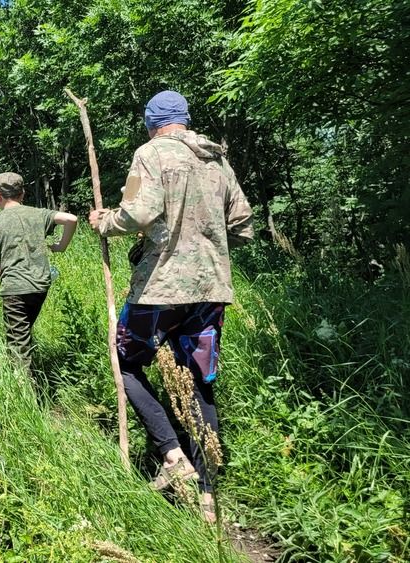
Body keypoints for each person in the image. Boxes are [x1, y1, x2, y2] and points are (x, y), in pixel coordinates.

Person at [87, 90, 254, 523]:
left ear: (150, 123)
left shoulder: (151, 154)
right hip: (211, 290)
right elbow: (241, 225)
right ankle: (207, 492)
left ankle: (172, 453)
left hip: (159, 290)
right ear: (185, 119)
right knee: (199, 380)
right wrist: (206, 245)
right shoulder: (217, 159)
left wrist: (104, 222)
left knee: (124, 361)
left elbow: (138, 212)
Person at [0, 172, 78, 366]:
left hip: (15, 289)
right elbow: (71, 219)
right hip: (40, 285)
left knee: (17, 346)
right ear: (22, 194)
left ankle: (22, 381)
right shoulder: (38, 214)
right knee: (24, 331)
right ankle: (29, 366)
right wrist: (61, 246)